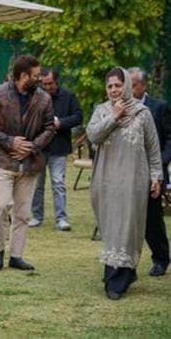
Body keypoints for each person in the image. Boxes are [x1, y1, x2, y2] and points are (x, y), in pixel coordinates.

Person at [87, 67, 162, 300]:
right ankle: (117, 272)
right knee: (111, 227)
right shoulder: (101, 111)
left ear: (127, 86)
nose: (113, 90)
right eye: (109, 86)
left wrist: (156, 176)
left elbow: (153, 147)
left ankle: (118, 278)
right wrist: (114, 117)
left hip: (134, 181)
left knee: (129, 227)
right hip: (107, 180)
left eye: (118, 85)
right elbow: (93, 136)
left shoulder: (143, 113)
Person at [0, 55, 54, 271]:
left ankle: (16, 255)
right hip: (2, 161)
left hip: (30, 164)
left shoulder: (44, 98)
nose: (40, 79)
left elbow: (49, 128)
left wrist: (32, 146)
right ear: (23, 76)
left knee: (22, 213)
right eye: (36, 75)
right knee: (1, 206)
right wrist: (9, 142)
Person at [128, 67, 170, 277]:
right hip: (127, 173)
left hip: (153, 173)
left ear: (143, 85)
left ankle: (161, 259)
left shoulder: (159, 107)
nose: (129, 88)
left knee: (152, 219)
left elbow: (169, 138)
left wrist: (160, 164)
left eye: (133, 84)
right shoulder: (119, 108)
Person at [29, 68, 82, 230]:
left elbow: (78, 117)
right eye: (43, 83)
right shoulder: (35, 96)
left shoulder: (68, 96)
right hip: (39, 147)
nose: (47, 87)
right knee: (37, 184)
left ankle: (61, 218)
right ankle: (37, 216)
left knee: (58, 183)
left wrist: (61, 123)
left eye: (50, 83)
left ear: (56, 81)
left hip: (59, 146)